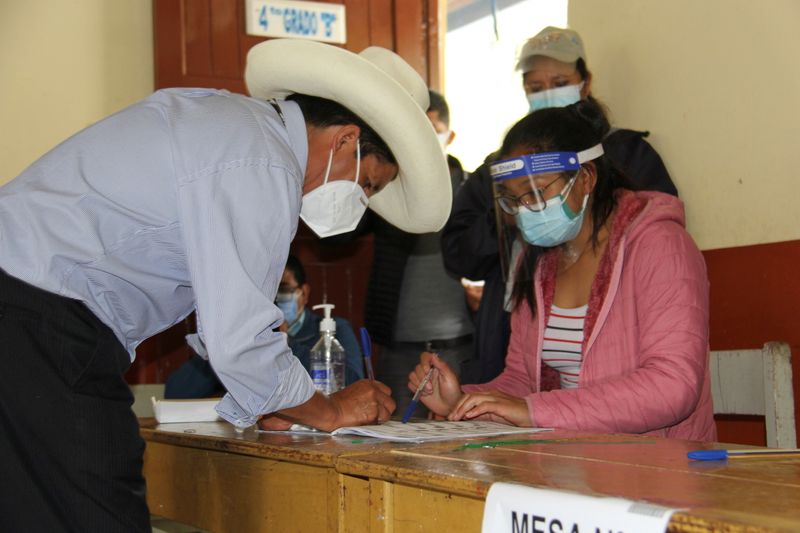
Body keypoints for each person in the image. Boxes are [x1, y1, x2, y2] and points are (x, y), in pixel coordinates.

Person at [0, 39, 452, 532]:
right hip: (38, 318)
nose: (359, 203)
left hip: (25, 305)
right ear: (346, 140)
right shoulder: (264, 162)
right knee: (95, 507)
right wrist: (329, 409)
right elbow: (238, 339)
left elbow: (232, 325)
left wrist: (283, 400)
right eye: (366, 184)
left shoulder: (239, 127)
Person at [410, 99, 716, 441]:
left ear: (586, 178)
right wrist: (462, 401)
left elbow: (672, 386)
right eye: (514, 200)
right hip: (570, 463)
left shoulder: (659, 245)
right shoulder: (538, 262)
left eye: (537, 192)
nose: (526, 210)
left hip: (655, 472)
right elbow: (522, 382)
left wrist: (535, 411)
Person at [443, 26, 677, 385]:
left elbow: (655, 244)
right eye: (535, 87)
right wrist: (507, 213)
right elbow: (458, 255)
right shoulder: (500, 169)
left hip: (614, 345)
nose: (547, 93)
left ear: (584, 82)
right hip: (505, 339)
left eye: (558, 81)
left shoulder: (624, 154)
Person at [328, 90, 473, 415]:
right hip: (398, 351)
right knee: (395, 441)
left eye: (431, 130)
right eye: (415, 130)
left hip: (463, 348)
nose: (423, 140)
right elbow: (337, 235)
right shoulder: (388, 188)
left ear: (450, 135)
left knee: (465, 442)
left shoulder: (472, 189)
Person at [165, 254, 365, 398]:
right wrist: (224, 344)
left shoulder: (334, 329)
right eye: (267, 291)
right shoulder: (248, 339)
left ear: (304, 293)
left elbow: (354, 384)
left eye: (283, 289)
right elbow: (176, 391)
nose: (275, 299)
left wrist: (284, 343)